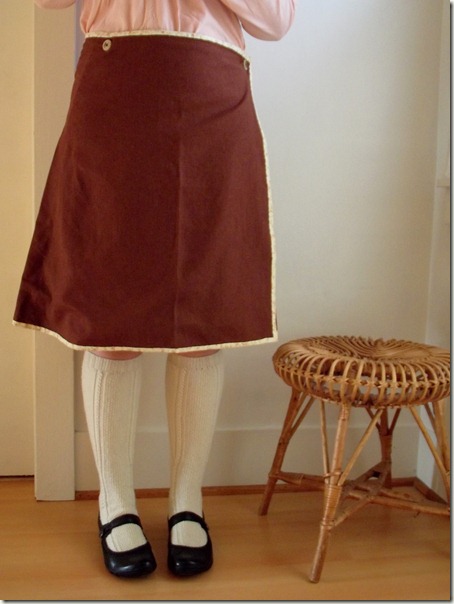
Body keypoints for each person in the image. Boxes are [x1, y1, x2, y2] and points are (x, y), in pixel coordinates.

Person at [15, 0, 296, 579]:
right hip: (113, 99)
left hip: (212, 99)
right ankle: (114, 501)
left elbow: (276, 21)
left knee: (202, 319)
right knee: (108, 318)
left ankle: (187, 498)